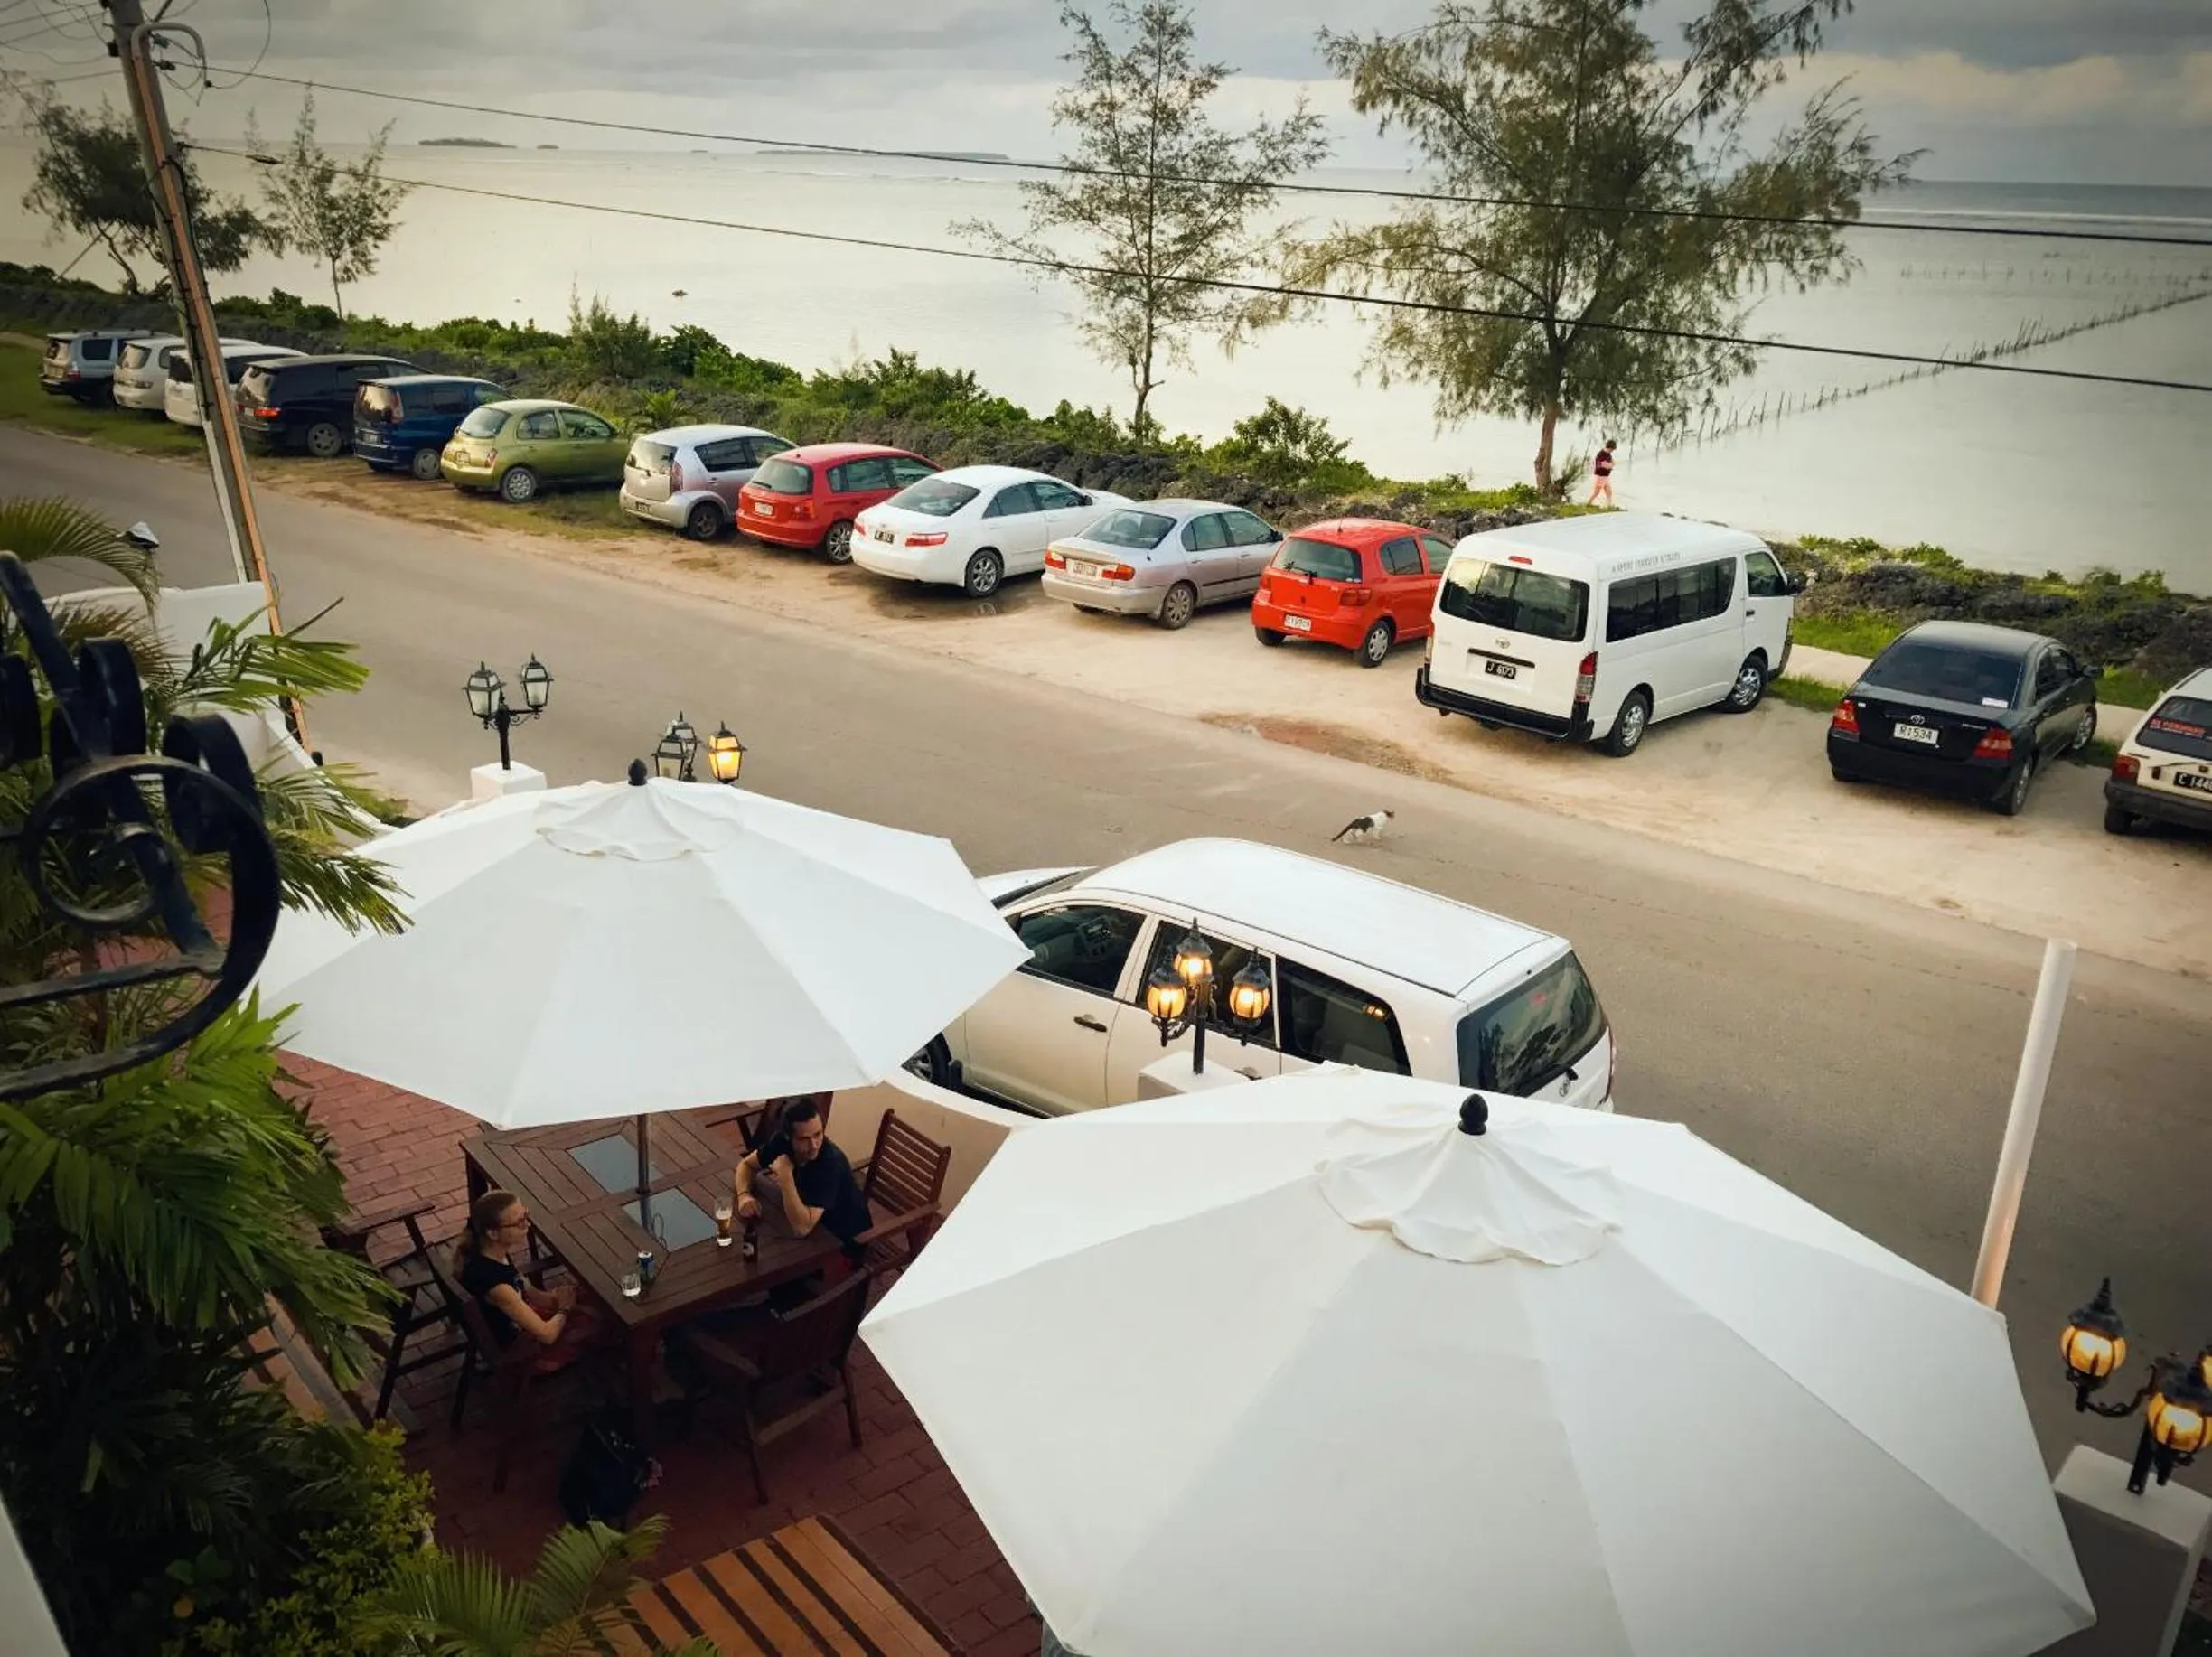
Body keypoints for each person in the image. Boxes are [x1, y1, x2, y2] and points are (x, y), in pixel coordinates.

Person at [453, 1188, 606, 1372]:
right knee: (600, 1325)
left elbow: (530, 1293)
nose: (528, 1225)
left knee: (590, 1298)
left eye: (526, 1216)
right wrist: (565, 1307)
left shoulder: (490, 1252)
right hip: (523, 1349)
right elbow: (547, 1335)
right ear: (493, 1233)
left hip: (523, 1318)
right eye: (519, 1223)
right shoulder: (498, 1286)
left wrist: (567, 1298)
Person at [734, 1096, 872, 1250]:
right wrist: (744, 1195)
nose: (814, 1145)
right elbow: (746, 1165)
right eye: (804, 1139)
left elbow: (802, 1229)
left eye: (818, 1134)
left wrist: (785, 1177)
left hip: (844, 1243)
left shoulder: (830, 1163)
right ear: (788, 1137)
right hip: (809, 1228)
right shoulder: (781, 1141)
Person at [1588, 439, 1617, 506]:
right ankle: (1587, 504)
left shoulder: (1608, 454)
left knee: (1609, 492)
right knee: (1596, 492)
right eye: (1612, 449)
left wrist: (1609, 465)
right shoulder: (1601, 454)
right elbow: (1600, 465)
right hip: (1600, 476)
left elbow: (1612, 463)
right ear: (1609, 447)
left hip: (1605, 476)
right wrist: (1608, 465)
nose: (1612, 451)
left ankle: (1608, 507)